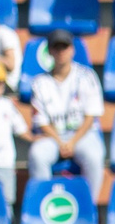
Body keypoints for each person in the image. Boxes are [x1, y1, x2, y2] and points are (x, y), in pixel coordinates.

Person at [23, 28, 100, 182]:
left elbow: (91, 116)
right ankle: (43, 197)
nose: (61, 51)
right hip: (53, 136)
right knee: (37, 155)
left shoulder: (87, 76)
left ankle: (90, 203)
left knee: (94, 156)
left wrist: (72, 142)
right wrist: (60, 142)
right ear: (50, 52)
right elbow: (42, 122)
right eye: (56, 47)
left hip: (82, 134)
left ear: (72, 49)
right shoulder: (39, 83)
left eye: (64, 47)